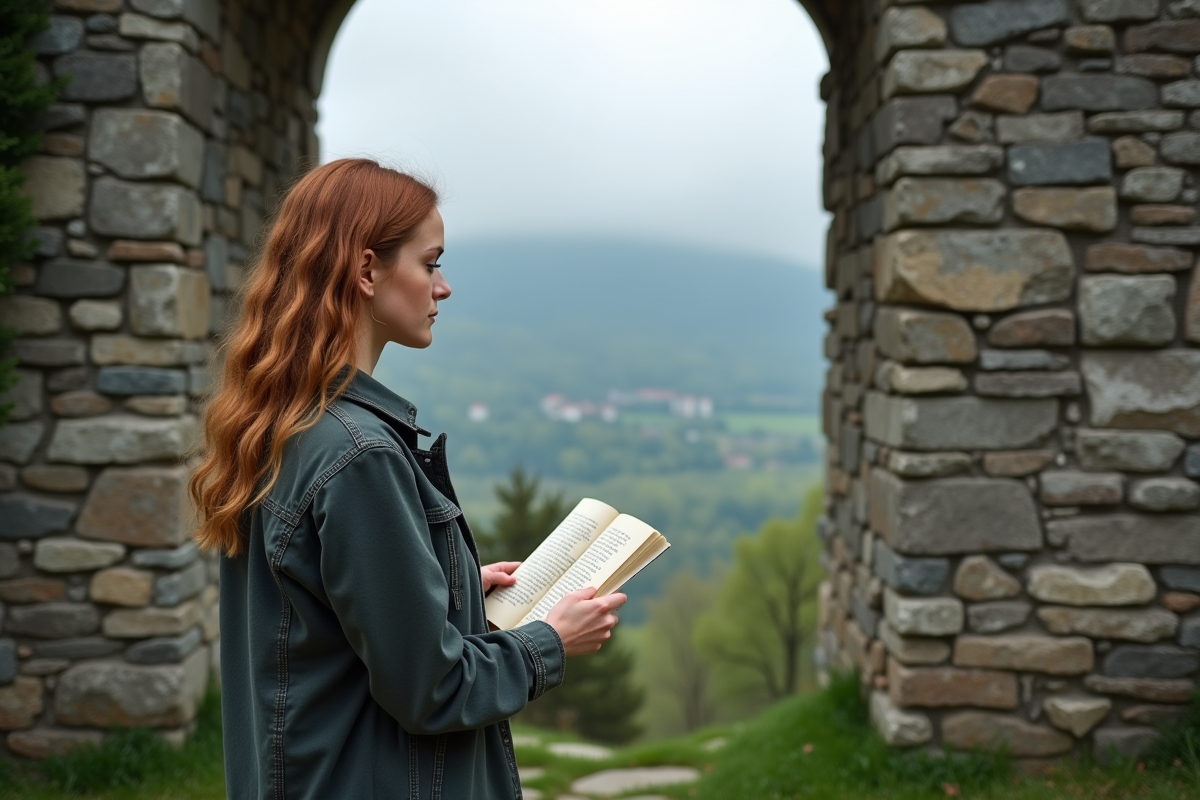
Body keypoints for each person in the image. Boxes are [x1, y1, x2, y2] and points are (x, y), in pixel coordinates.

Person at [187, 158, 626, 800]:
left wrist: (442, 590)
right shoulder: (360, 454)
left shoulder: (282, 425)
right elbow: (433, 688)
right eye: (430, 263)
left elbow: (318, 614)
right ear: (367, 271)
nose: (442, 287)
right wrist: (550, 641)